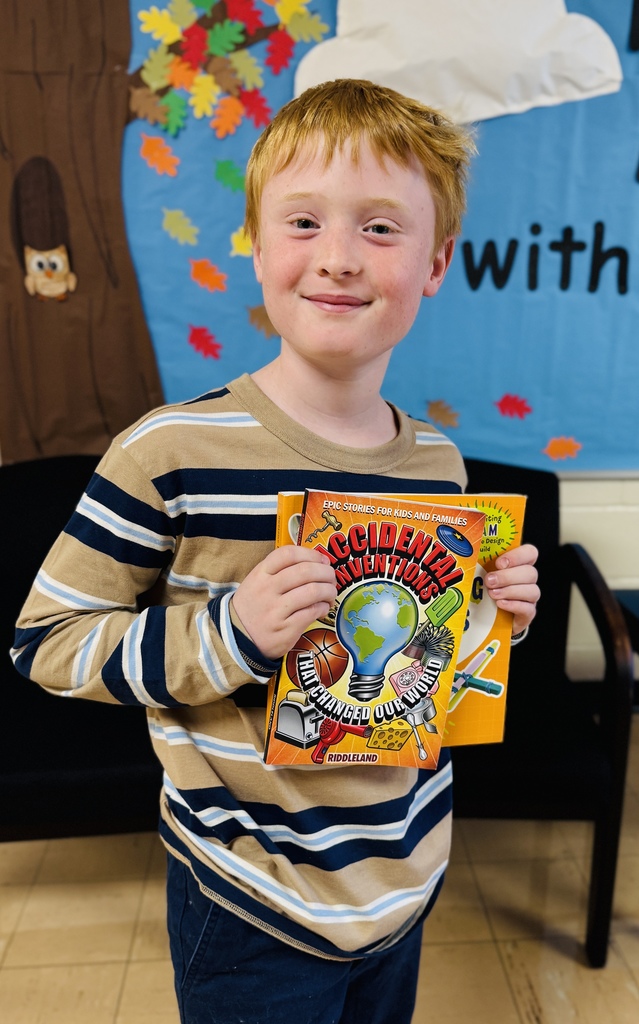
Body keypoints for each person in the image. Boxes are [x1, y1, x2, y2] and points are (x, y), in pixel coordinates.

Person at [12, 79, 539, 1024]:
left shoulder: (440, 463)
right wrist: (234, 634)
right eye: (302, 222)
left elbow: (431, 674)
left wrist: (496, 621)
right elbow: (43, 644)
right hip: (249, 899)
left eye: (381, 228)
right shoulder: (167, 451)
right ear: (255, 244)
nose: (337, 258)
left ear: (436, 262)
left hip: (405, 881)